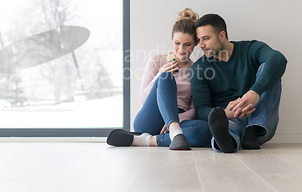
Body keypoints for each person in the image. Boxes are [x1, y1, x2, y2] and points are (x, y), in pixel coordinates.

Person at [107, 9, 212, 150]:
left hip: (180, 118)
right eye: (177, 43)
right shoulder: (157, 60)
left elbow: (195, 110)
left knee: (205, 130)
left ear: (195, 44)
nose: (181, 49)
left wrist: (174, 120)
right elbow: (143, 99)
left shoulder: (197, 69)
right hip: (152, 116)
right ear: (171, 38)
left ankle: (146, 140)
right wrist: (160, 73)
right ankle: (174, 133)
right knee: (166, 76)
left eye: (187, 44)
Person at [190, 14, 287, 153]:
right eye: (199, 40)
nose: (201, 45)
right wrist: (226, 113)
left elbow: (279, 59)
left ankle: (253, 129)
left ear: (221, 35)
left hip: (261, 119)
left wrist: (255, 92)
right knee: (227, 127)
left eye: (206, 39)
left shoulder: (250, 49)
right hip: (231, 119)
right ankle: (227, 142)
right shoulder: (199, 68)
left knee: (271, 68)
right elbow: (201, 109)